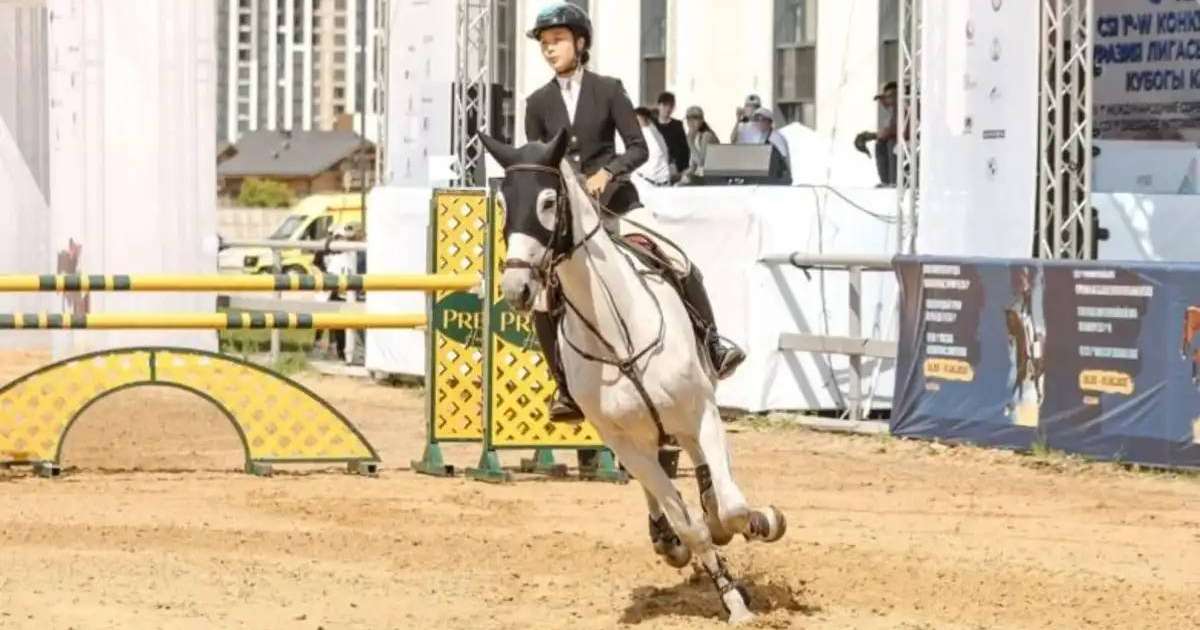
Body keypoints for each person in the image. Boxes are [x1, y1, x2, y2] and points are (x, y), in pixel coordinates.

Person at [523, 1, 745, 421]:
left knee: (678, 260)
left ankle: (713, 345)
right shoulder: (537, 102)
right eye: (544, 43)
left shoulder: (609, 89)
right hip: (570, 219)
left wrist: (608, 172)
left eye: (557, 40)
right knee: (542, 298)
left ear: (580, 43)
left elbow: (638, 147)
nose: (549, 48)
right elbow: (538, 163)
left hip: (616, 204)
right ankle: (565, 389)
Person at [854, 81, 898, 186]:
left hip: (907, 144)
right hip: (895, 141)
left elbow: (900, 129)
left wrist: (875, 135)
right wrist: (875, 136)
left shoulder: (903, 108)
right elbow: (888, 130)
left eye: (890, 96)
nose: (885, 101)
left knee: (891, 144)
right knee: (881, 143)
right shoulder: (890, 112)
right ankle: (886, 181)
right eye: (883, 98)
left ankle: (894, 181)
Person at [654, 91, 690, 181]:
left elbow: (684, 149)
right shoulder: (652, 125)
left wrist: (682, 169)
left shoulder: (677, 125)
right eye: (665, 105)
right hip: (656, 167)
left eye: (671, 106)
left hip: (673, 168)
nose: (667, 109)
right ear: (659, 105)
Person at [633, 106, 672, 186]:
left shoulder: (649, 133)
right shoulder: (654, 133)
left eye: (637, 120)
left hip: (651, 181)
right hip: (647, 181)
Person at [752, 107, 792, 184]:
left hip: (777, 180)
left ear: (769, 122)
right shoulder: (761, 136)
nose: (758, 123)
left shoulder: (776, 138)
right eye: (756, 120)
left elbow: (783, 161)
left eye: (762, 120)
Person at [682, 105, 719, 183]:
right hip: (700, 177)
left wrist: (690, 142)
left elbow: (702, 163)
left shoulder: (706, 135)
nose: (691, 121)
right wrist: (681, 175)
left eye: (695, 117)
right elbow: (693, 166)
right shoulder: (695, 136)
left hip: (710, 178)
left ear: (702, 120)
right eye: (688, 118)